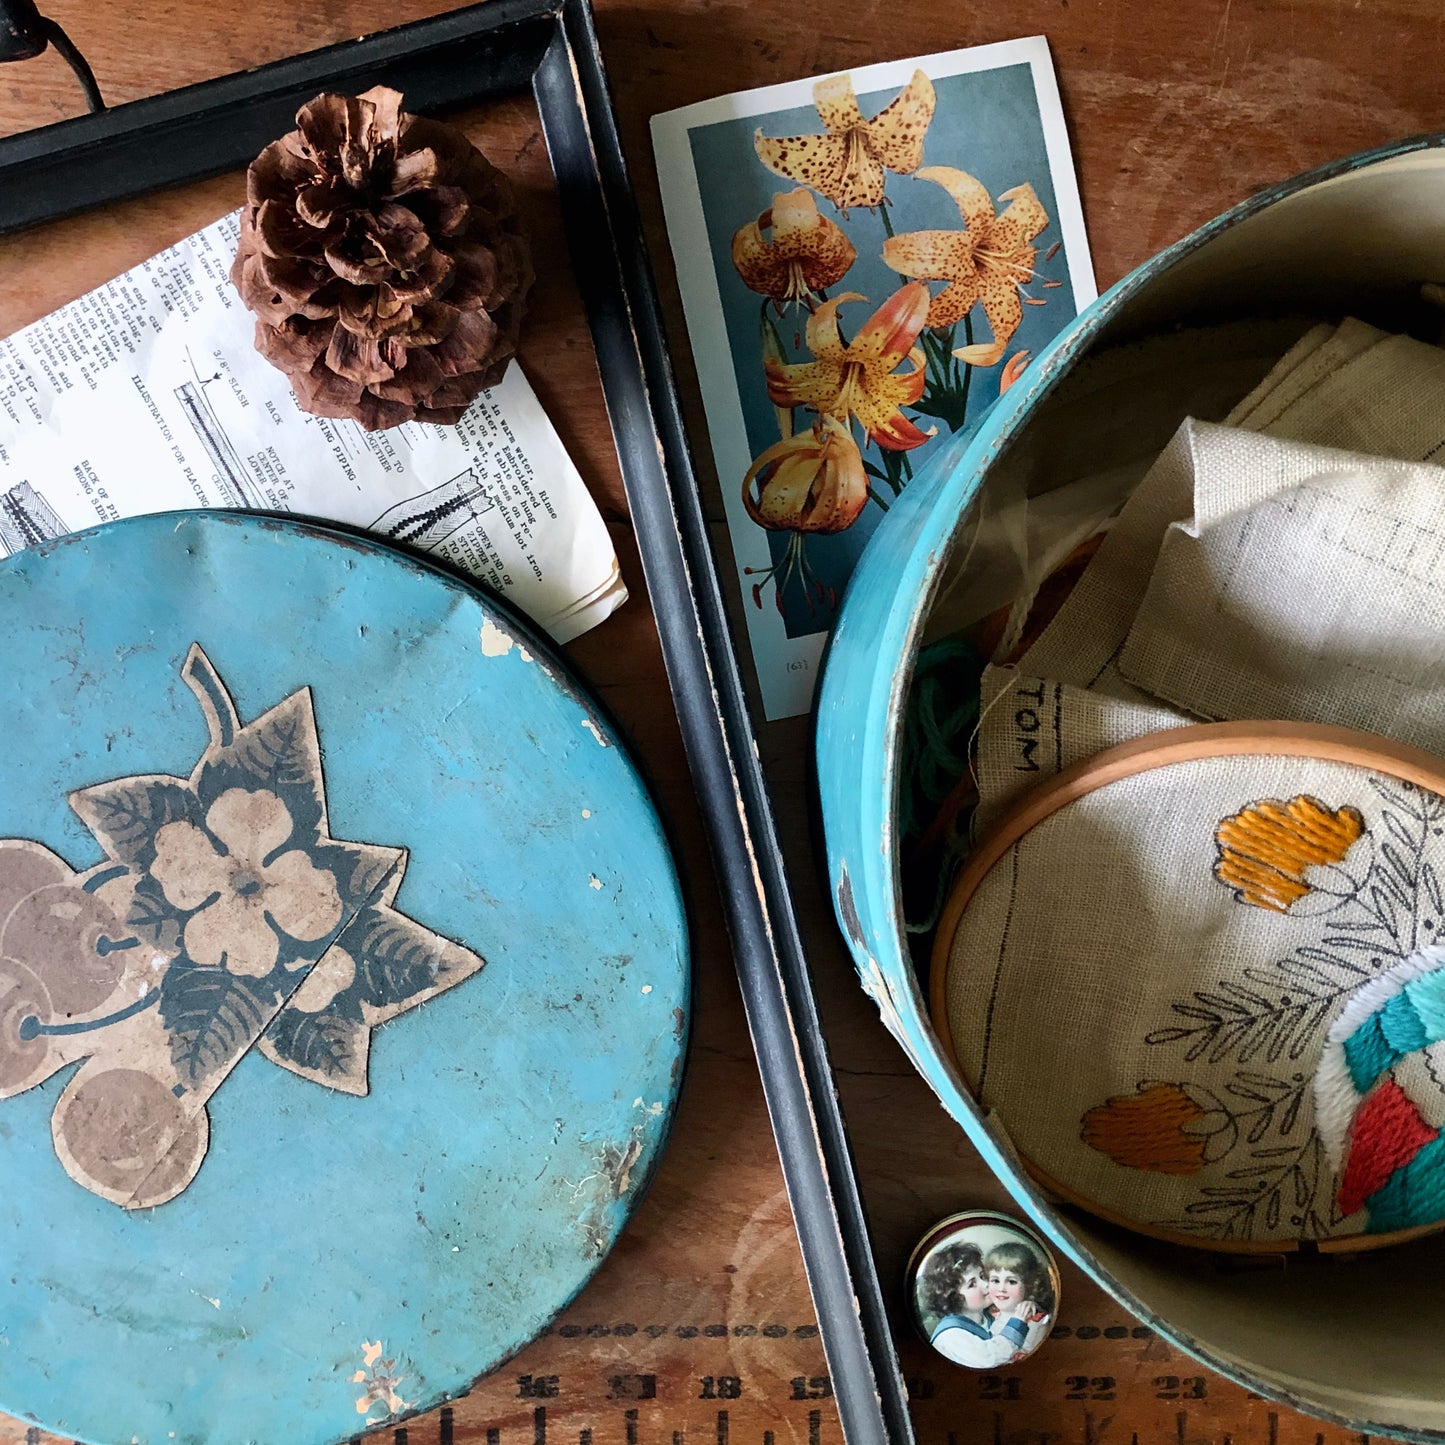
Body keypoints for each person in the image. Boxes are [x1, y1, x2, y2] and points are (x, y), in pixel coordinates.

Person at [922, 1241, 1038, 1369]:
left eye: (983, 1276)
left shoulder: (988, 1317)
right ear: (953, 1297)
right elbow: (992, 1357)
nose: (986, 1284)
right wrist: (1018, 1322)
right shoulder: (950, 1335)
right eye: (972, 1284)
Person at [983, 1240, 1054, 1360]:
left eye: (1011, 1282)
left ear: (1029, 1284)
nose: (1001, 1289)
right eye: (995, 1280)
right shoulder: (989, 1315)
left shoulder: (1037, 1323)